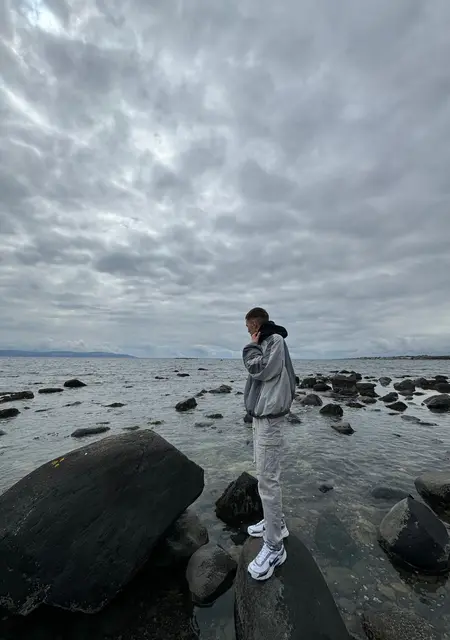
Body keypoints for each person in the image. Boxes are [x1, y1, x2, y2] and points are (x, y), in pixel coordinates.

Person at [243, 307, 296, 580]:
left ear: (255, 325)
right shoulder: (270, 341)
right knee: (266, 476)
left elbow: (259, 369)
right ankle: (276, 523)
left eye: (248, 328)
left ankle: (275, 547)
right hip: (263, 417)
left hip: (270, 419)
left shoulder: (273, 341)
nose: (247, 333)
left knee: (267, 480)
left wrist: (250, 348)